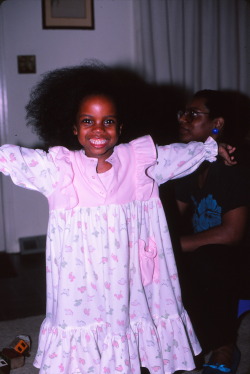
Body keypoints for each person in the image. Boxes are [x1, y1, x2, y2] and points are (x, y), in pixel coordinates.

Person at [0, 66, 234, 374]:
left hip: (131, 271)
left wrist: (210, 148)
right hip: (83, 279)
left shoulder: (138, 161)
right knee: (88, 326)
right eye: (88, 121)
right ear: (73, 128)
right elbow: (15, 158)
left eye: (107, 121)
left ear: (121, 127)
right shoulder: (60, 170)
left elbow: (176, 155)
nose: (98, 129)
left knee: (131, 322)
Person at [173, 89, 250, 374]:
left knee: (208, 258)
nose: (183, 119)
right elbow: (171, 216)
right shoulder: (191, 164)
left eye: (193, 114)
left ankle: (224, 347)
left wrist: (175, 245)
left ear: (217, 122)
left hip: (239, 263)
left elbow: (232, 235)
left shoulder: (233, 164)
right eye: (183, 113)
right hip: (207, 260)